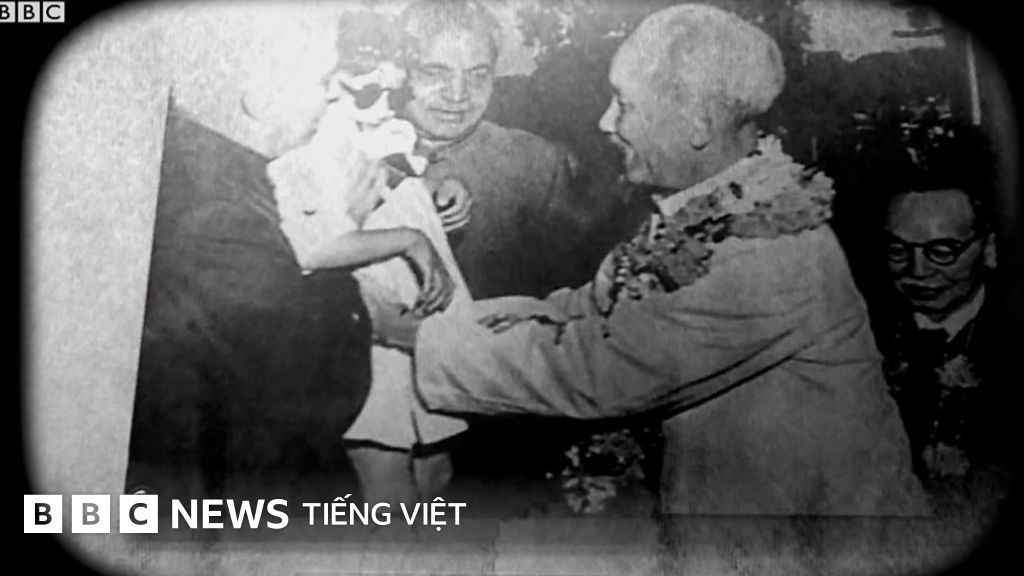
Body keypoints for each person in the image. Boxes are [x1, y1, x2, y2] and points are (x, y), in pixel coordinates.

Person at [372, 4, 928, 515]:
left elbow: (599, 372)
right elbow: (589, 306)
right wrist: (475, 316)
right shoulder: (695, 212)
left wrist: (419, 337)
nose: (604, 123)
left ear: (697, 123)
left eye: (625, 104)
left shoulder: (770, 251)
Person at [124, 9, 378, 499]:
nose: (334, 93)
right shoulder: (218, 216)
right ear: (259, 96)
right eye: (323, 78)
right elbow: (320, 389)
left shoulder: (189, 170)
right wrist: (343, 240)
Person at [272, 18, 472, 507]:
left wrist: (439, 188)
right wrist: (410, 240)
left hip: (421, 314)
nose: (383, 107)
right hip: (370, 328)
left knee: (436, 472)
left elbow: (403, 173)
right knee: (388, 481)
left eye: (392, 93)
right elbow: (313, 248)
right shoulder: (305, 148)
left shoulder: (374, 128)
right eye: (367, 94)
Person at [397, 0, 587, 299]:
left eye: (478, 74)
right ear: (399, 74)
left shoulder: (537, 165)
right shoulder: (355, 156)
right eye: (435, 73)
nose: (458, 95)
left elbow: (570, 296)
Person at [876, 149, 1011, 511]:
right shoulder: (862, 331)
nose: (917, 271)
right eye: (898, 250)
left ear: (988, 249)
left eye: (942, 250)